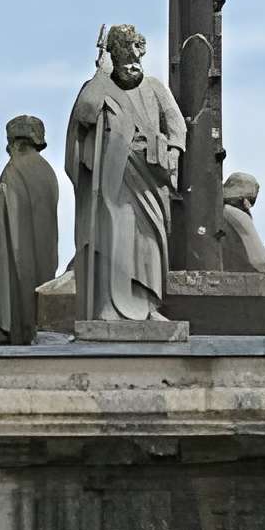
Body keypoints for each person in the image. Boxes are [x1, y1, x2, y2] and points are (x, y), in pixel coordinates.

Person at [65, 25, 187, 324]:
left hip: (149, 179)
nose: (133, 57)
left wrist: (172, 153)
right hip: (112, 178)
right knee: (112, 237)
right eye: (125, 49)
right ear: (112, 53)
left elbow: (177, 126)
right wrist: (101, 76)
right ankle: (108, 306)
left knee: (149, 241)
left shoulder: (155, 87)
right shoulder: (99, 86)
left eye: (137, 49)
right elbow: (85, 113)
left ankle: (147, 307)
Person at [0, 116, 61, 346]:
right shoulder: (48, 172)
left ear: (16, 143)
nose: (8, 148)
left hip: (16, 258)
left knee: (14, 308)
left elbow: (2, 211)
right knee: (36, 301)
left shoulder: (14, 168)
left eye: (9, 143)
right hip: (44, 258)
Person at [219, 171, 265, 275]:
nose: (249, 206)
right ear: (244, 199)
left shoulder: (221, 212)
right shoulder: (235, 214)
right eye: (250, 201)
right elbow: (261, 261)